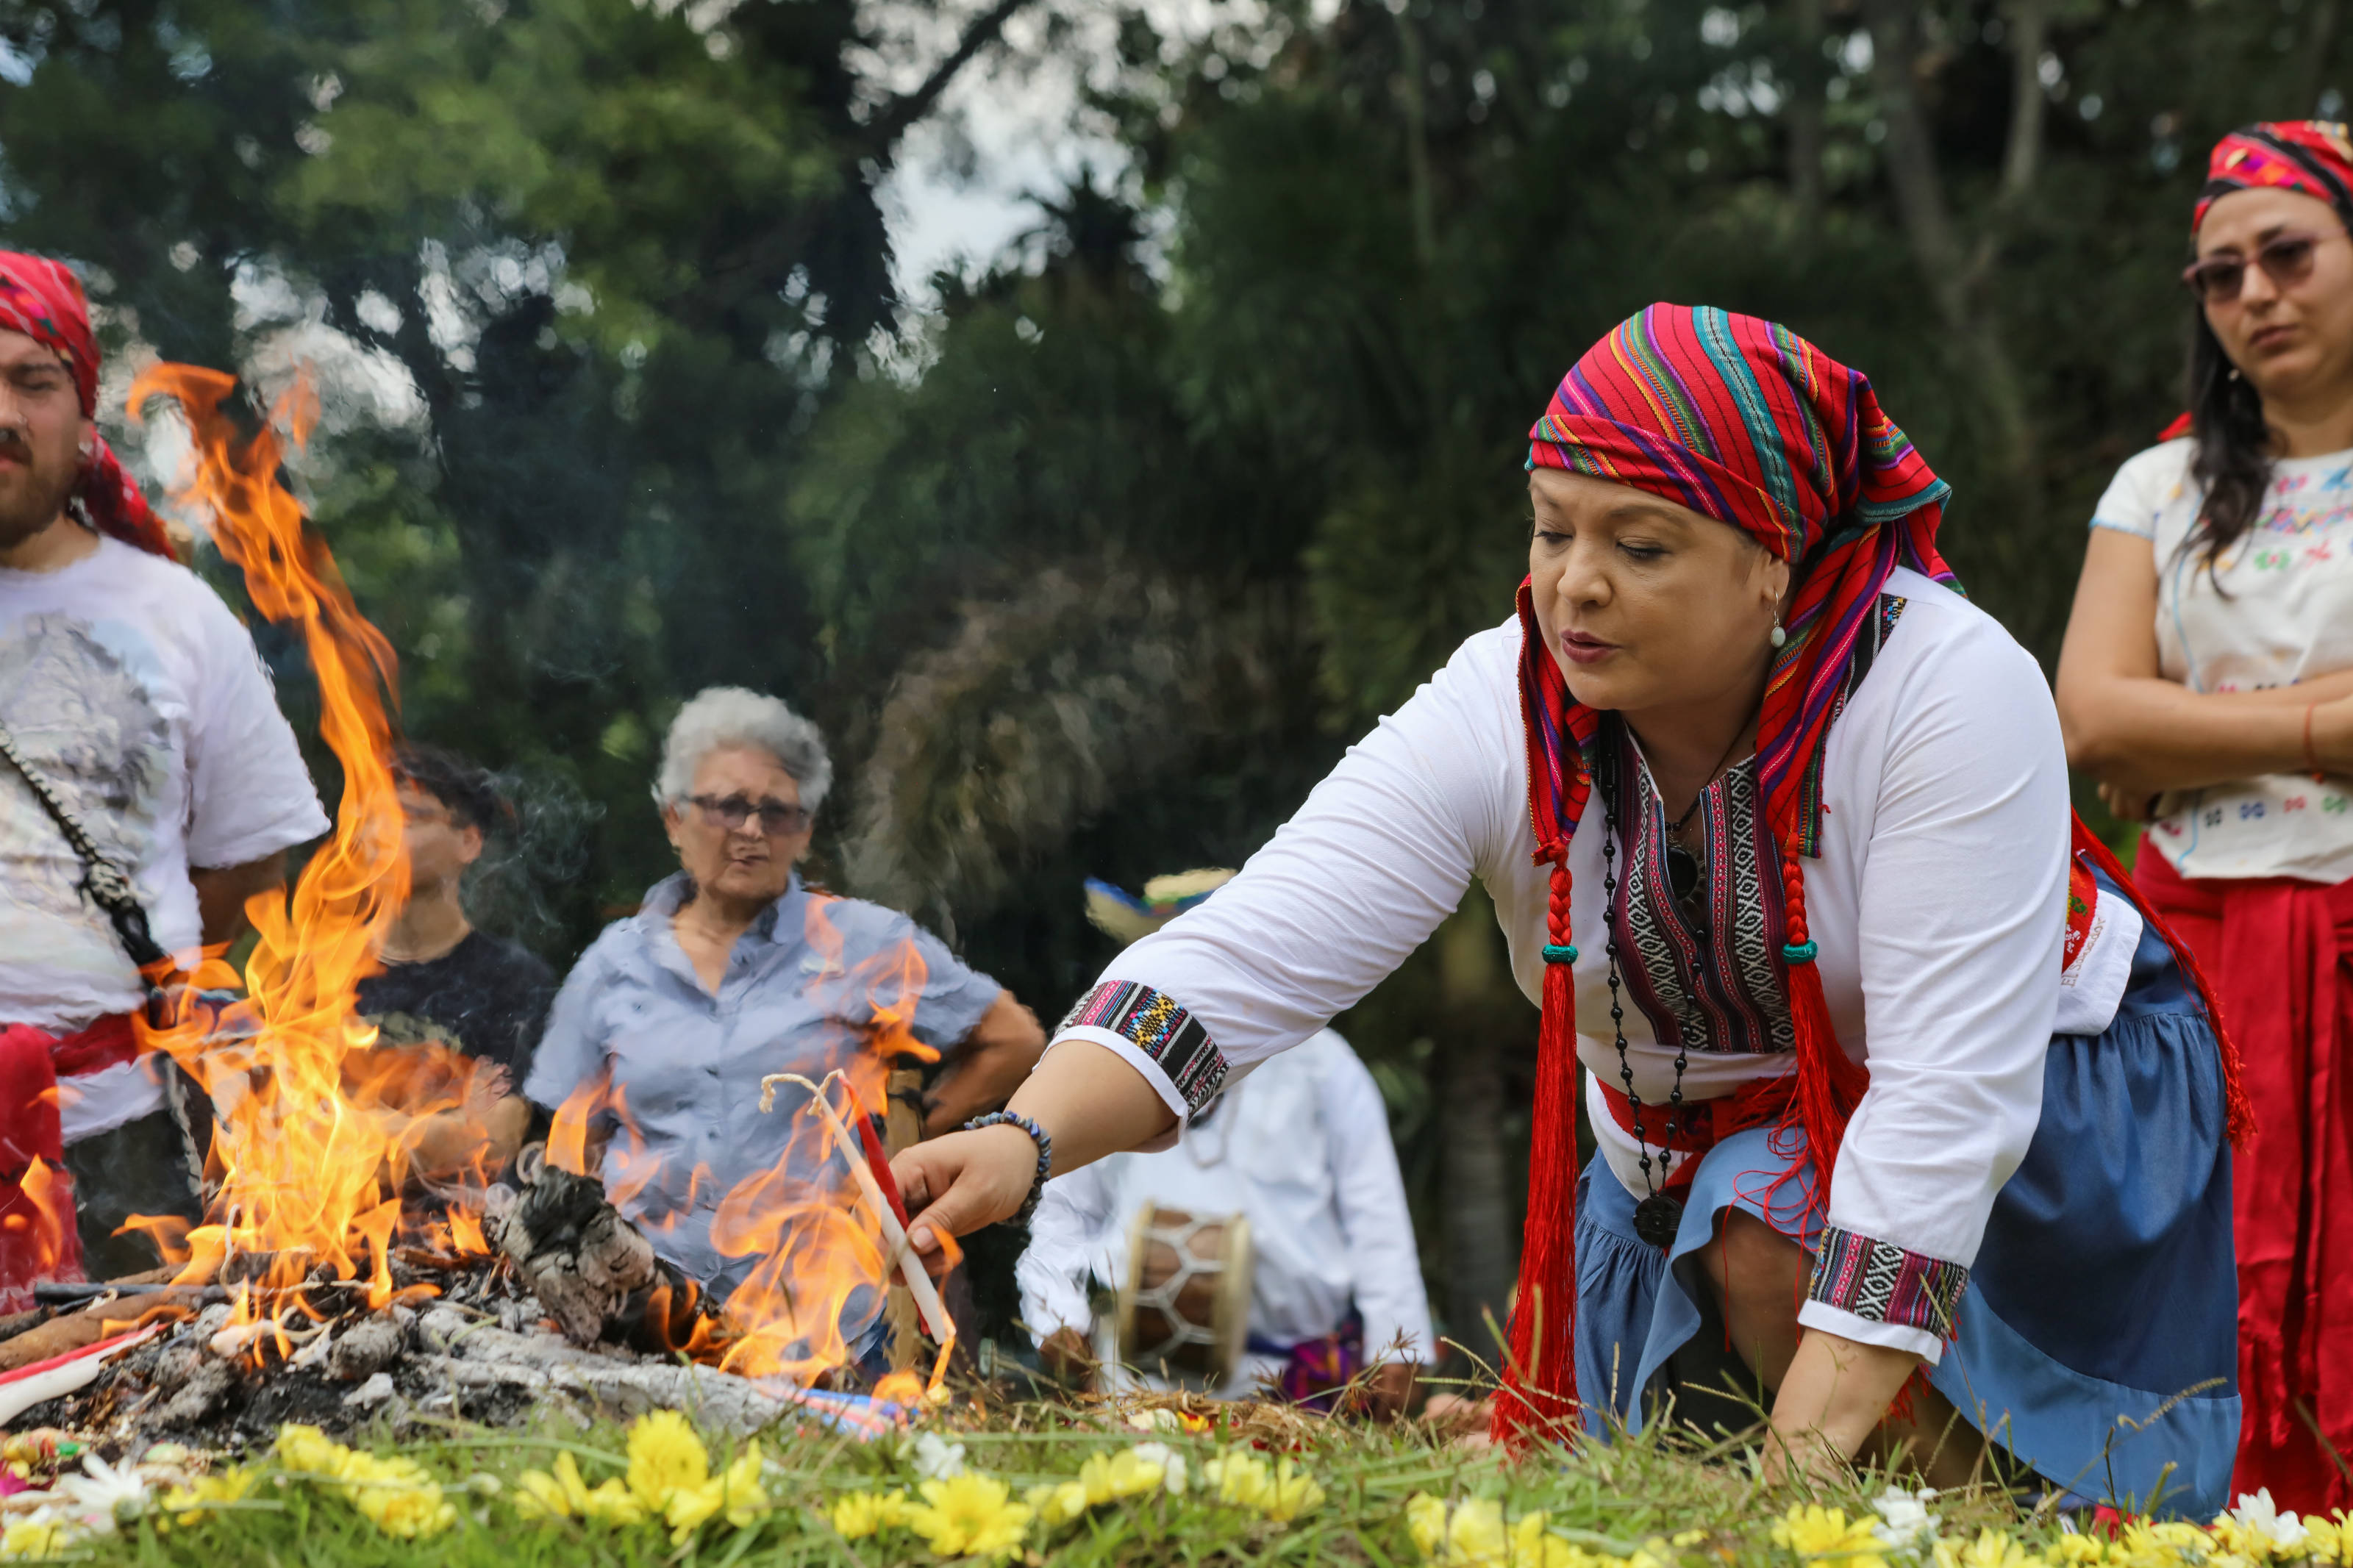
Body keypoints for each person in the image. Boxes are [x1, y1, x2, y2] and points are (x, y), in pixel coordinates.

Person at [895, 304, 2245, 1513]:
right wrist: (1024, 1135)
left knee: (1768, 1240)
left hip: (2024, 1110)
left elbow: (1950, 1103)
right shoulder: (1505, 703)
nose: (1574, 583)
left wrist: (1787, 1507)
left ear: (1774, 558)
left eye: (1638, 543)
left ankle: (1976, 1538)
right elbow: (1262, 939)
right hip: (1679, 1148)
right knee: (1707, 1312)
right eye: (1551, 528)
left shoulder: (1948, 690)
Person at [2056, 119, 2353, 1514]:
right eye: (2221, 275)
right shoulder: (2158, 491)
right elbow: (2092, 717)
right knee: (2195, 1263)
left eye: (2288, 254)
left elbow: (2147, 718)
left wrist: (2192, 731)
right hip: (2192, 953)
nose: (2255, 296)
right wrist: (2324, 721)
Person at [524, 686, 1048, 1346]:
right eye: (727, 807)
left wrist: (912, 1154)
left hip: (817, 1330)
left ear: (802, 831)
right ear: (674, 818)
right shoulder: (614, 963)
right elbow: (567, 1141)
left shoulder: (863, 944)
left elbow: (1013, 1040)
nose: (751, 831)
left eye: (776, 812)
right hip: (642, 1325)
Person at [0, 252, 328, 1294]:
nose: (3, 411)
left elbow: (241, 879)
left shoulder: (180, 619)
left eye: (33, 381)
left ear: (83, 413)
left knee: (125, 1450)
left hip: (122, 1146)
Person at [1017, 870, 1432, 1414]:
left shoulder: (1322, 1061)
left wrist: (1396, 1341)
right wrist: (1057, 1315)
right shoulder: (1106, 1062)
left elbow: (1374, 1211)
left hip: (1294, 1386)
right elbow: (1063, 1204)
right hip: (1141, 1386)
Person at [351, 743, 554, 1182]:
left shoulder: (516, 980)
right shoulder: (314, 974)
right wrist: (438, 1134)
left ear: (469, 841)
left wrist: (359, 1134)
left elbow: (493, 1140)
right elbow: (282, 1130)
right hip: (324, 1241)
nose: (383, 831)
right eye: (373, 815)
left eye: (410, 816)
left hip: (459, 1242)